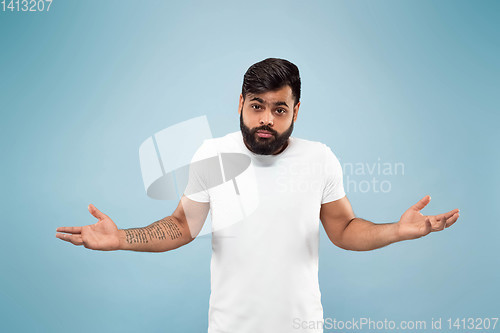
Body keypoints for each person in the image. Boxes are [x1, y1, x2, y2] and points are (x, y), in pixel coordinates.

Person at [55, 58, 460, 333]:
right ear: (241, 105)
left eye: (279, 109)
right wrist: (122, 238)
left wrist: (397, 230)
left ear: (296, 111)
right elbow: (181, 225)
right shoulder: (213, 154)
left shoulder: (319, 158)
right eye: (257, 106)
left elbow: (344, 229)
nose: (266, 118)